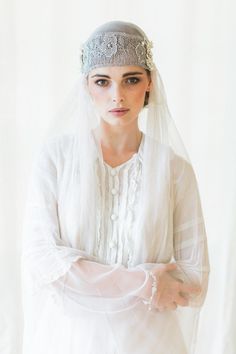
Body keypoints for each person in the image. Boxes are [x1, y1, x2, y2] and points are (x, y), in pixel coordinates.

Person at [21, 20, 210, 354]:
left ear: (149, 83)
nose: (117, 95)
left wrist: (82, 274)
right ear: (86, 87)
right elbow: (42, 260)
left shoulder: (175, 170)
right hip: (69, 341)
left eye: (131, 79)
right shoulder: (56, 159)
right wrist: (147, 283)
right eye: (102, 81)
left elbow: (195, 279)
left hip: (151, 343)